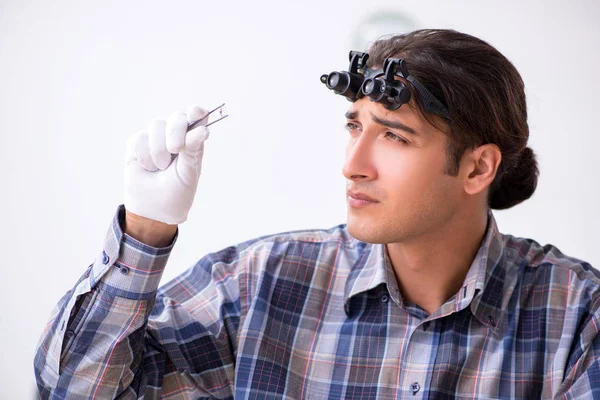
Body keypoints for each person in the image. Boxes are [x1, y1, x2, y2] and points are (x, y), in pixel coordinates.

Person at [34, 29, 599, 399]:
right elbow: (76, 389)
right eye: (355, 126)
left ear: (478, 169)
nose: (353, 165)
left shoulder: (576, 316)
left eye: (395, 138)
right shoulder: (263, 284)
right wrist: (144, 231)